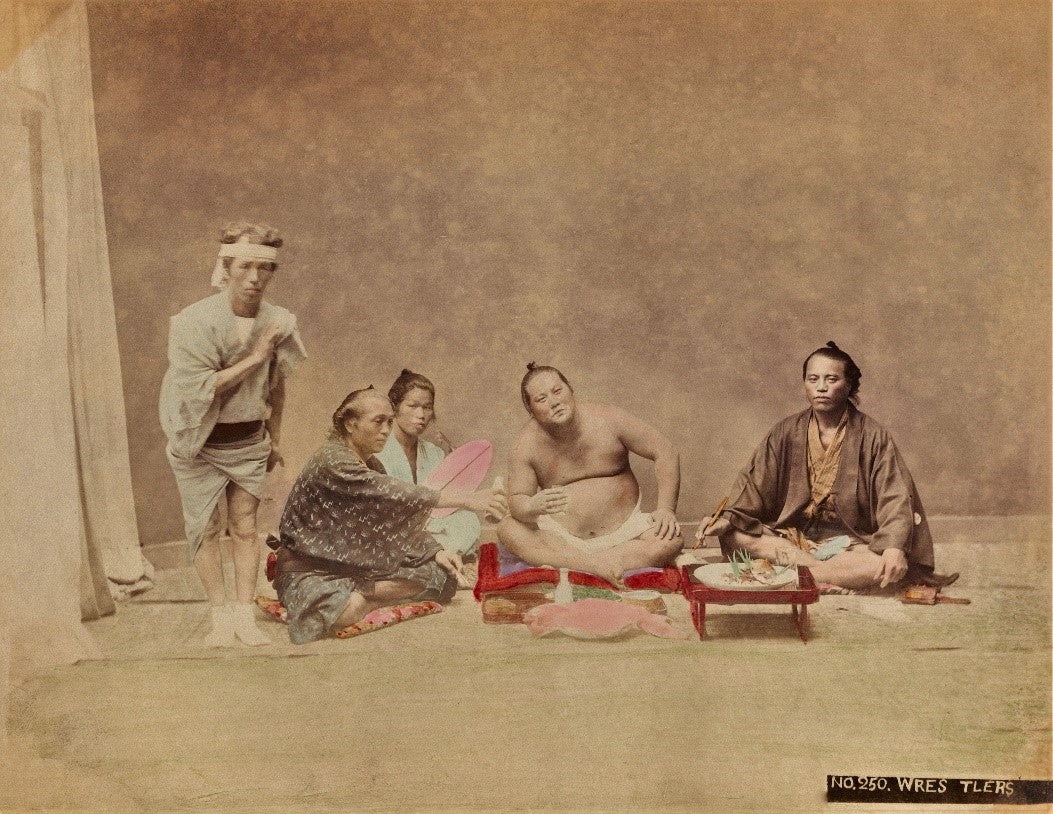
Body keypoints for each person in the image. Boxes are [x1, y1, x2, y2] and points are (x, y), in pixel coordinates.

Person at [699, 342, 957, 592]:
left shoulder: (873, 436)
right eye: (813, 379)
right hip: (793, 538)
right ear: (805, 383)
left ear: (849, 386)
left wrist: (893, 547)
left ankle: (791, 576)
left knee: (878, 563)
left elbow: (895, 496)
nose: (821, 388)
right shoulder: (786, 432)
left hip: (851, 542)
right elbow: (753, 487)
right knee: (735, 537)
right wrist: (726, 519)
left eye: (831, 380)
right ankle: (820, 574)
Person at [160, 222, 307, 647]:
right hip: (196, 437)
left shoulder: (279, 320)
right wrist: (256, 355)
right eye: (245, 267)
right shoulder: (193, 321)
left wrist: (274, 437)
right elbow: (199, 387)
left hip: (246, 439)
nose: (255, 278)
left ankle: (245, 615)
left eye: (265, 269)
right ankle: (219, 617)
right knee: (207, 528)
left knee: (244, 526)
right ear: (226, 268)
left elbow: (277, 384)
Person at [273, 388, 507, 644]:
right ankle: (365, 597)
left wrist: (436, 551)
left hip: (351, 569)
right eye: (378, 421)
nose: (386, 430)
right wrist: (467, 498)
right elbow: (397, 494)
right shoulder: (333, 460)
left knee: (441, 578)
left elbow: (390, 518)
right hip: (308, 572)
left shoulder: (370, 463)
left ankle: (365, 595)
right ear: (351, 424)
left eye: (389, 422)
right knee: (340, 611)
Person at [497, 364, 682, 585]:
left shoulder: (608, 418)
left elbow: (665, 451)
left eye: (557, 391)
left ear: (570, 389)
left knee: (671, 539)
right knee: (508, 529)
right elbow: (517, 500)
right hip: (562, 537)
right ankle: (596, 566)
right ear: (531, 409)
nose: (554, 402)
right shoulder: (525, 444)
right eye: (541, 399)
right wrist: (532, 506)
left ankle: (584, 566)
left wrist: (666, 509)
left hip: (626, 532)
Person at [375, 370, 492, 587]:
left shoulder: (434, 452)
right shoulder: (378, 449)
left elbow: (442, 503)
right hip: (394, 524)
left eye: (427, 407)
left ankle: (440, 558)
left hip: (427, 526)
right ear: (395, 407)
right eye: (413, 406)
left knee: (468, 520)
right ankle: (441, 562)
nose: (421, 414)